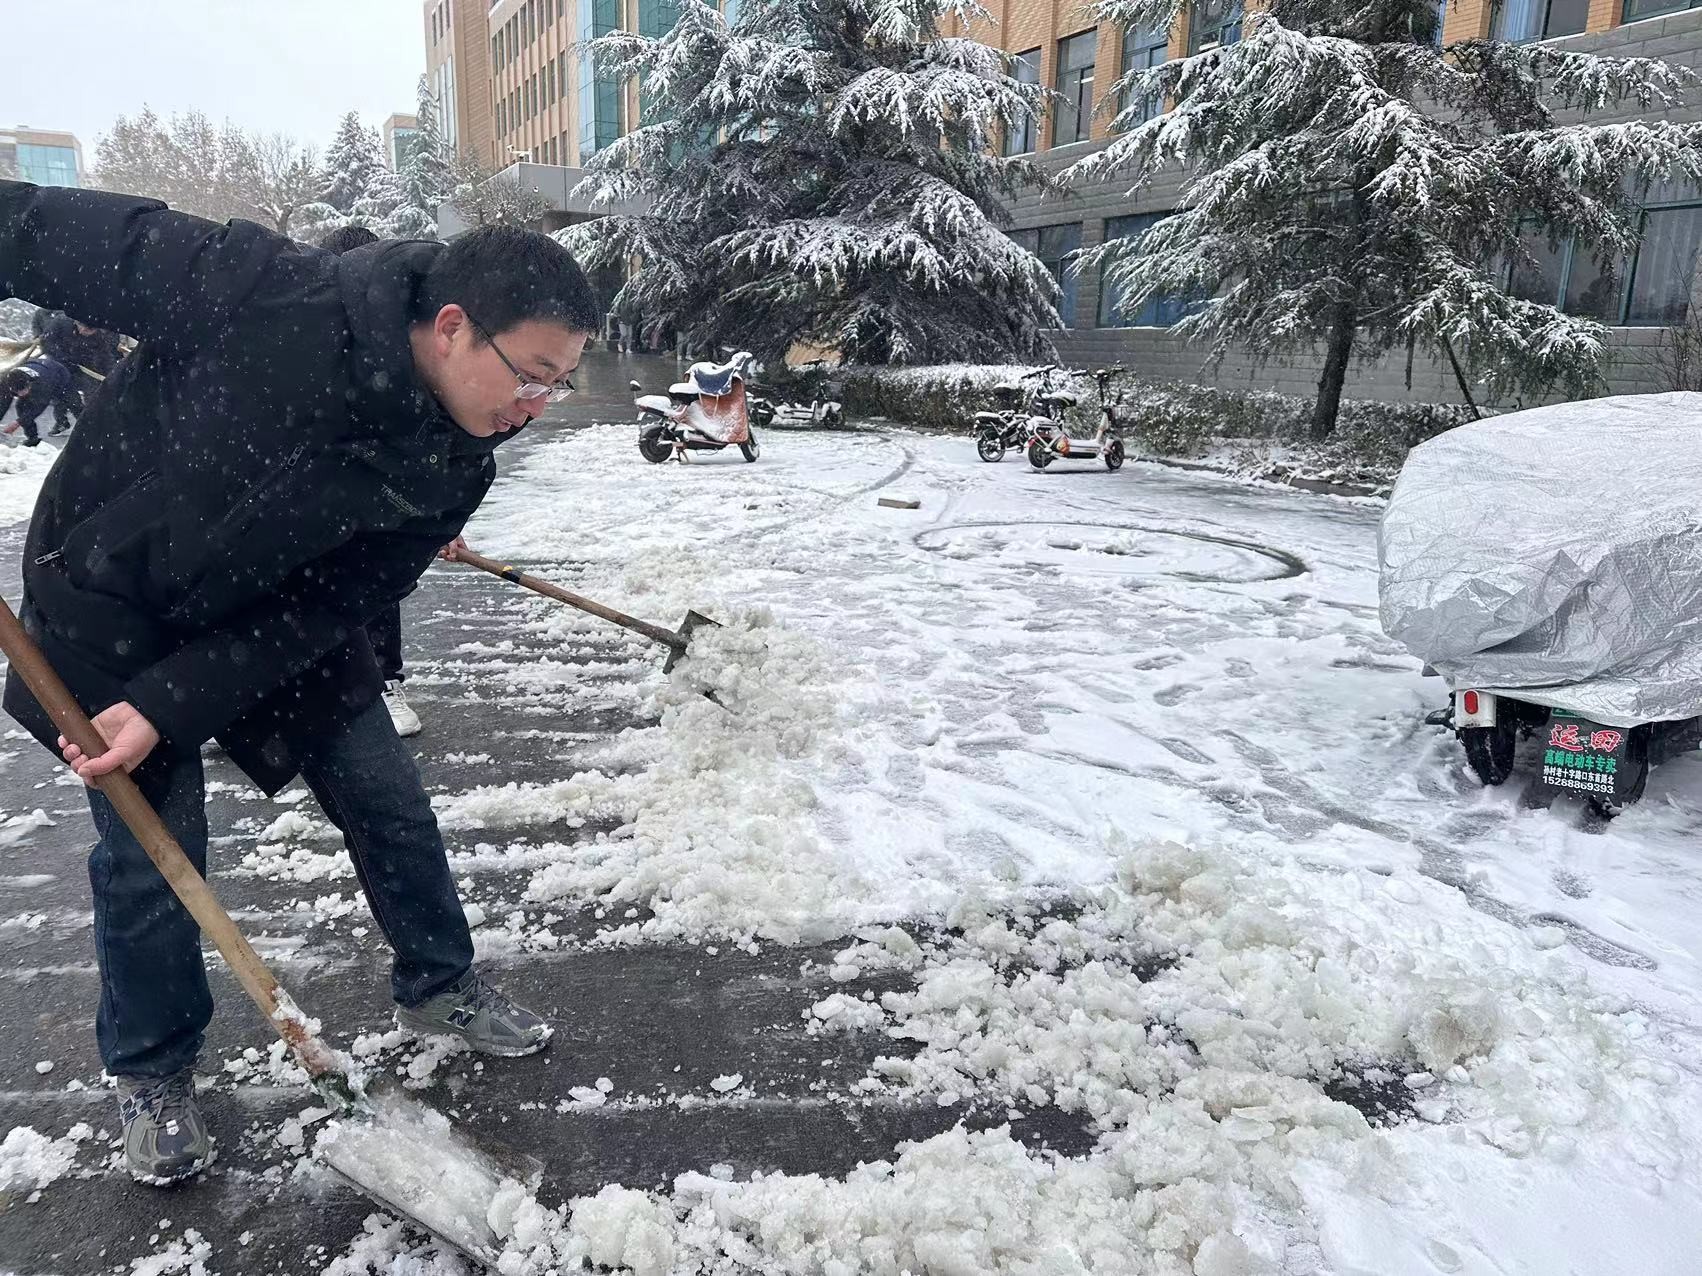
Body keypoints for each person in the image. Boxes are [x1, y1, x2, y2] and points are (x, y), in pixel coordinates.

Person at [0, 177, 598, 1185]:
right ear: (454, 326)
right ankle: (153, 1068)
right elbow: (35, 230)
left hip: (280, 618)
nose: (535, 408)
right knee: (151, 851)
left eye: (559, 385)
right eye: (532, 376)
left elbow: (334, 605)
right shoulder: (258, 290)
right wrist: (147, 701)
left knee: (386, 797)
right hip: (110, 604)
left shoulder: (456, 465)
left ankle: (439, 984)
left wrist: (177, 701)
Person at [317, 226, 421, 736]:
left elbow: (418, 437)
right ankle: (247, 702)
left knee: (375, 584)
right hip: (303, 498)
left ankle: (384, 681)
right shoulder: (298, 335)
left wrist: (432, 516)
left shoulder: (397, 346)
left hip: (374, 498)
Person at [40, 311, 123, 431]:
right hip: (59, 362)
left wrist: (112, 375)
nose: (85, 332)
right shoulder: (61, 322)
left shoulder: (98, 336)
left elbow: (105, 357)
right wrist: (63, 357)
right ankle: (65, 421)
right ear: (77, 322)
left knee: (93, 390)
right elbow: (46, 344)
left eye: (90, 330)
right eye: (83, 328)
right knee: (67, 395)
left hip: (82, 364)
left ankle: (93, 422)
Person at [0, 355, 77, 445]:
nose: (21, 395)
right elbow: (3, 403)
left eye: (24, 390)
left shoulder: (42, 383)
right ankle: (33, 438)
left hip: (59, 375)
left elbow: (38, 407)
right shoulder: (6, 381)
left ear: (28, 383)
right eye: (18, 392)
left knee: (73, 403)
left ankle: (80, 427)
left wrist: (18, 422)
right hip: (39, 370)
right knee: (20, 407)